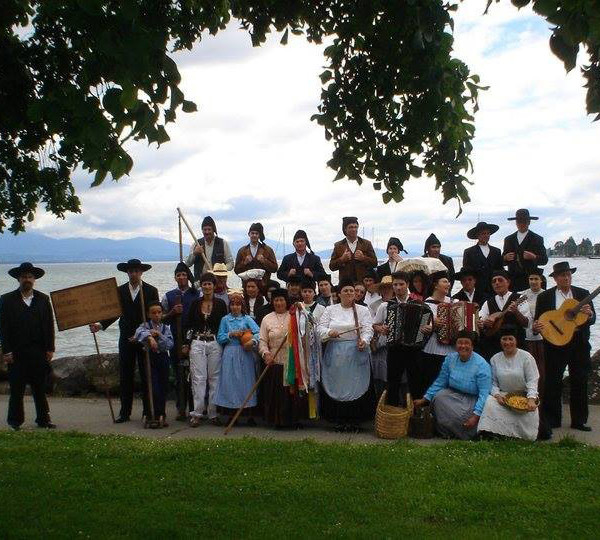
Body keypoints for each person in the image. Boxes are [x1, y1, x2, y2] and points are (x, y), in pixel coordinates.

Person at [90, 259, 159, 424]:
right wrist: (99, 325)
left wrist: (149, 334)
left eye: (136, 271)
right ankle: (124, 412)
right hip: (126, 338)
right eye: (131, 271)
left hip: (144, 339)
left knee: (146, 375)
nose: (134, 274)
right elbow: (113, 313)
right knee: (125, 376)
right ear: (127, 273)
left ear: (141, 272)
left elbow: (154, 315)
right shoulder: (119, 291)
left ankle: (148, 412)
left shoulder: (151, 291)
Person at [533, 261, 596, 434]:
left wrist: (589, 314)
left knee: (580, 381)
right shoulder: (545, 297)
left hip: (579, 343)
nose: (566, 278)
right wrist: (536, 327)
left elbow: (592, 319)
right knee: (553, 381)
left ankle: (579, 420)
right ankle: (553, 419)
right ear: (555, 278)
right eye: (562, 275)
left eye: (568, 274)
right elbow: (539, 320)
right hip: (554, 344)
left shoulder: (582, 294)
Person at [1, 262, 55, 430]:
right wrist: (6, 351)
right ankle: (14, 422)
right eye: (24, 276)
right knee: (17, 390)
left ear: (34, 279)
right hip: (16, 353)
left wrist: (50, 348)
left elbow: (48, 325)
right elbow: (3, 328)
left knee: (39, 389)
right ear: (18, 279)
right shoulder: (6, 300)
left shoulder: (43, 299)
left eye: (30, 277)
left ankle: (43, 420)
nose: (27, 279)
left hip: (38, 352)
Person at [318, 280, 375, 432]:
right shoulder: (330, 310)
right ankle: (338, 420)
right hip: (335, 352)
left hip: (356, 352)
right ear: (339, 294)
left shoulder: (362, 310)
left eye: (352, 290)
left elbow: (368, 329)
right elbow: (320, 328)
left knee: (355, 384)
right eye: (346, 290)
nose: (350, 293)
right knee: (337, 384)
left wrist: (364, 340)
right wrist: (329, 332)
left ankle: (355, 420)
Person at [414, 330, 492, 440]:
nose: (463, 346)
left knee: (461, 414)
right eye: (460, 343)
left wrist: (475, 417)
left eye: (466, 343)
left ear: (472, 346)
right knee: (438, 397)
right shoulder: (450, 359)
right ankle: (445, 432)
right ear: (455, 345)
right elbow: (440, 382)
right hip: (454, 395)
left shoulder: (482, 365)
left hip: (473, 400)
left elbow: (484, 395)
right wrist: (425, 399)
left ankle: (466, 434)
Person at [478, 326, 539, 441]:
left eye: (510, 339)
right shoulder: (495, 359)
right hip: (504, 396)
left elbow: (533, 380)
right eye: (504, 339)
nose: (507, 342)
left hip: (523, 396)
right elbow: (493, 383)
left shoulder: (527, 357)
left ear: (516, 341)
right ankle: (494, 433)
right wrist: (497, 395)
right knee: (489, 403)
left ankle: (521, 436)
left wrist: (531, 398)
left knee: (530, 411)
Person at [184, 272, 228, 426]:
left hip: (215, 343)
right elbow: (189, 324)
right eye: (205, 284)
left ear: (214, 286)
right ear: (201, 286)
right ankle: (197, 413)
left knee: (214, 378)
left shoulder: (221, 304)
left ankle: (213, 413)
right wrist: (186, 343)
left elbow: (224, 325)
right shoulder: (195, 304)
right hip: (197, 342)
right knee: (198, 378)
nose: (207, 287)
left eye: (210, 284)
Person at [259, 288, 307, 428]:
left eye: (281, 300)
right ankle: (277, 421)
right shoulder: (267, 319)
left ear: (286, 301)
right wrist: (266, 354)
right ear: (272, 302)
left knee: (291, 393)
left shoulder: (294, 317)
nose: (279, 303)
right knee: (276, 393)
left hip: (291, 360)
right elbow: (262, 340)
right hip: (274, 361)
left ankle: (293, 421)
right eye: (276, 300)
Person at [373, 272, 423, 405]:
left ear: (407, 285)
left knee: (415, 381)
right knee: (393, 382)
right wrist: (381, 329)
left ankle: (416, 414)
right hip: (394, 348)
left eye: (401, 284)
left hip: (413, 349)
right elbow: (375, 325)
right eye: (395, 284)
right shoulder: (385, 306)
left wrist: (426, 329)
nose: (398, 287)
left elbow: (425, 323)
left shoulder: (418, 303)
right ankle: (393, 412)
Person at [161, 261, 200, 421]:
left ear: (188, 277)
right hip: (175, 339)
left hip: (192, 338)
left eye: (184, 274)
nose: (182, 277)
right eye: (179, 275)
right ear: (175, 277)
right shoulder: (169, 296)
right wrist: (172, 312)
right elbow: (160, 317)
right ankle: (180, 408)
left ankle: (195, 408)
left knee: (194, 375)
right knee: (178, 375)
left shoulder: (196, 294)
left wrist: (189, 341)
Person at [215, 290, 261, 425]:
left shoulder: (247, 319)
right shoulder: (225, 319)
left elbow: (258, 333)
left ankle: (249, 414)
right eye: (233, 305)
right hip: (230, 352)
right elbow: (219, 337)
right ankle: (231, 413)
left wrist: (251, 340)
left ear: (242, 306)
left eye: (238, 304)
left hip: (244, 352)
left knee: (247, 382)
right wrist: (231, 334)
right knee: (231, 382)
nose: (235, 307)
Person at [134, 302, 174, 428]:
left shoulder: (165, 328)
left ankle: (161, 413)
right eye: (153, 313)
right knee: (152, 386)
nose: (156, 315)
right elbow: (138, 334)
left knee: (162, 386)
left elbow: (169, 344)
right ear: (148, 314)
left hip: (162, 358)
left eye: (159, 312)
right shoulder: (145, 326)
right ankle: (149, 413)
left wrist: (159, 335)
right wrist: (150, 337)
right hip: (149, 358)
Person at [416, 271, 455, 399]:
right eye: (444, 281)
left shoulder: (455, 302)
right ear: (435, 285)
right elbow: (421, 330)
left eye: (448, 282)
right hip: (431, 350)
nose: (448, 284)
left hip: (451, 350)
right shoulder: (426, 305)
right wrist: (432, 326)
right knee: (430, 382)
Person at [478, 270, 529, 360]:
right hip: (494, 346)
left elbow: (526, 323)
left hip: (517, 344)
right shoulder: (488, 302)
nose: (497, 283)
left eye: (500, 280)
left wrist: (516, 312)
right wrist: (485, 323)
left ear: (508, 282)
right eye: (494, 281)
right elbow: (480, 321)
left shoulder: (519, 298)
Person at [521, 268, 546, 435]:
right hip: (527, 337)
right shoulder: (522, 295)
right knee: (528, 373)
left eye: (536, 279)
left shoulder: (547, 295)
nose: (533, 282)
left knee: (542, 374)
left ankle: (542, 409)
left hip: (543, 339)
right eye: (531, 279)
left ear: (541, 281)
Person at [502, 209, 548, 292]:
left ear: (529, 222)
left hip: (531, 281)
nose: (522, 224)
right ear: (516, 223)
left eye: (524, 221)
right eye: (519, 221)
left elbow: (544, 260)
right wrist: (505, 258)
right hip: (513, 281)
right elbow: (502, 262)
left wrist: (534, 257)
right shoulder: (509, 239)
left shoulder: (537, 239)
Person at [329, 216, 378, 283]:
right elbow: (332, 266)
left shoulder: (366, 244)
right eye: (351, 227)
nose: (354, 229)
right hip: (346, 284)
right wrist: (342, 259)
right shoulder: (338, 245)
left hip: (363, 284)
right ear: (345, 229)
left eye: (355, 227)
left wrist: (363, 258)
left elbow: (375, 263)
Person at [185, 215, 234, 281]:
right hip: (201, 283)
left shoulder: (223, 243)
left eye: (209, 229)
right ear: (202, 230)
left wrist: (222, 270)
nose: (207, 232)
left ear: (213, 230)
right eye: (205, 230)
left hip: (218, 282)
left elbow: (230, 263)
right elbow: (187, 264)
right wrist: (195, 253)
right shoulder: (196, 244)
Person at [462, 222, 503, 296]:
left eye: (488, 233)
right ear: (478, 235)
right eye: (483, 233)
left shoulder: (496, 251)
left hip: (494, 289)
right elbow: (467, 273)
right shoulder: (469, 252)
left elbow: (500, 270)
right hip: (477, 290)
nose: (486, 235)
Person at [370, 275, 395, 400]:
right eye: (384, 288)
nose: (386, 290)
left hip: (395, 345)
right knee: (381, 375)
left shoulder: (401, 303)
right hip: (381, 344)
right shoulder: (375, 305)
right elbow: (372, 324)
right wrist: (380, 329)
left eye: (389, 287)